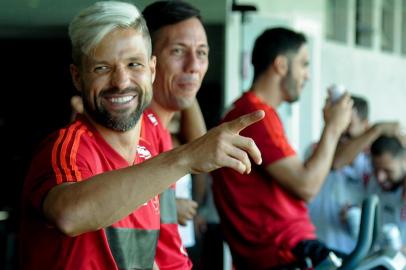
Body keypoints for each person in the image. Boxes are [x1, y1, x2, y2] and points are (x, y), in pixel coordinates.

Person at [19, 2, 265, 269]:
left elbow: (167, 255)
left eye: (134, 64)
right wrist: (185, 158)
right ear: (78, 77)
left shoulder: (150, 141)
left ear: (151, 69)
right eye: (102, 68)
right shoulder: (66, 148)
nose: (121, 81)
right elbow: (69, 215)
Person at [211, 27, 353, 269]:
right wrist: (333, 128)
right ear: (281, 65)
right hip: (285, 253)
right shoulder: (254, 115)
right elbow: (307, 185)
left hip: (289, 248)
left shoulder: (256, 112)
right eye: (303, 64)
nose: (307, 75)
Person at [142, 2, 208, 269]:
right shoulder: (132, 131)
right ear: (148, 59)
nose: (193, 65)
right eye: (178, 51)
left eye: (202, 52)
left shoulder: (160, 131)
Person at [309, 96, 400, 254]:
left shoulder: (374, 162)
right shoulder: (317, 150)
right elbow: (337, 161)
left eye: (349, 125)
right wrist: (377, 129)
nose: (342, 131)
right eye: (341, 123)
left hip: (354, 253)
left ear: (365, 126)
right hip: (316, 245)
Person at [369, 135, 406, 252]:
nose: (380, 177)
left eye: (388, 170)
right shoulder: (373, 182)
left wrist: (400, 250)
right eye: (376, 169)